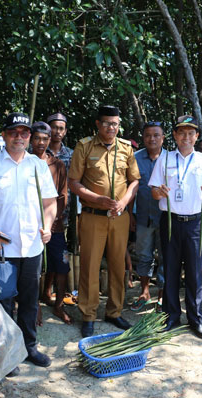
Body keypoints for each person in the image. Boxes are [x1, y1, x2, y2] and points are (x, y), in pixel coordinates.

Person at [0, 112, 57, 368]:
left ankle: (29, 348)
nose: (19, 136)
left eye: (24, 132)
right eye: (13, 132)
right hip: (0, 250)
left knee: (29, 301)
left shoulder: (38, 166)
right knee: (3, 304)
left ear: (29, 136)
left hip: (32, 248)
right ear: (3, 135)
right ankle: (6, 354)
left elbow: (50, 203)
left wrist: (47, 226)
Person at [68, 105, 140, 338]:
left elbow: (134, 181)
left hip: (119, 217)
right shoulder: (85, 146)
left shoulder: (126, 148)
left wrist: (124, 201)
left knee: (118, 266)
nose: (112, 128)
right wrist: (97, 198)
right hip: (92, 216)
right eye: (107, 123)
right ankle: (88, 315)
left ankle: (114, 312)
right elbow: (74, 183)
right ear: (98, 124)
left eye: (116, 124)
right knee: (89, 266)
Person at [149, 115, 202, 340]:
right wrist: (159, 192)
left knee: (194, 272)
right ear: (175, 136)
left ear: (196, 136)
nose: (186, 137)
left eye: (191, 133)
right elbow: (153, 192)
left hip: (196, 223)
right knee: (169, 270)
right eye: (182, 133)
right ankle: (171, 317)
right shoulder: (165, 159)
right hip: (170, 220)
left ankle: (195, 319)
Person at [30, 121, 72, 324]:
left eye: (44, 139)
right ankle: (34, 305)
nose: (40, 142)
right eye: (36, 138)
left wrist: (54, 219)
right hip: (29, 227)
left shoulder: (57, 164)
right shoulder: (24, 162)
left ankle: (59, 305)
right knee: (33, 267)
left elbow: (62, 195)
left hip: (54, 225)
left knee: (62, 264)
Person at [130, 121, 166, 312]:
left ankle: (162, 296)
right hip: (142, 216)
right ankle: (144, 292)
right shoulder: (135, 158)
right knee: (143, 255)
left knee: (165, 257)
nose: (152, 139)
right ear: (143, 138)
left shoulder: (171, 159)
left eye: (156, 135)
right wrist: (130, 215)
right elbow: (130, 190)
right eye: (148, 135)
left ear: (163, 137)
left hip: (166, 219)